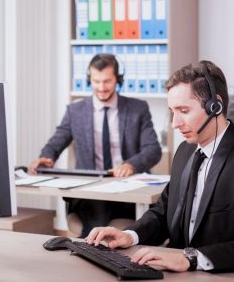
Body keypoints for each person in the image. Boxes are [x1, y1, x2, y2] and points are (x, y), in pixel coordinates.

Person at [86, 60, 234, 273]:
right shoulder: (185, 151)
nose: (175, 123)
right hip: (175, 271)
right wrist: (129, 235)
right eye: (173, 111)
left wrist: (191, 259)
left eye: (183, 110)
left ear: (215, 106)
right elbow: (164, 212)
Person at [29, 53, 162, 237]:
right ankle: (94, 252)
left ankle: (99, 249)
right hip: (91, 191)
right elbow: (57, 141)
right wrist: (46, 157)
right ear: (89, 79)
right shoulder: (75, 111)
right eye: (96, 81)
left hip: (128, 189)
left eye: (107, 81)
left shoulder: (137, 109)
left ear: (118, 79)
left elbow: (153, 149)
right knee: (96, 210)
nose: (101, 88)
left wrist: (131, 165)